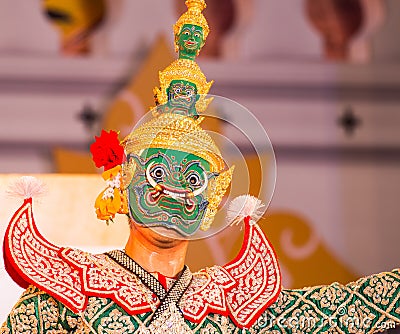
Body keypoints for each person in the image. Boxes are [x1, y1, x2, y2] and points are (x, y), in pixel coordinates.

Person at [2, 1, 400, 333]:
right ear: (122, 180)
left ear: (212, 198)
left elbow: (351, 306)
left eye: (194, 178)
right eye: (157, 171)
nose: (176, 189)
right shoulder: (65, 291)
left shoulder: (235, 304)